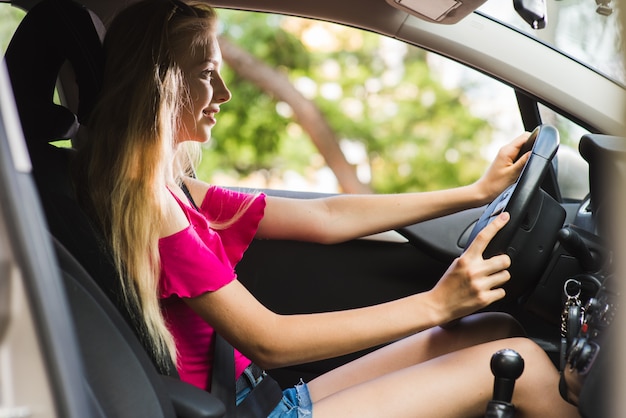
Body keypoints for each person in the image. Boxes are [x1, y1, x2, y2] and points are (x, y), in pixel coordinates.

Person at [73, 0, 580, 416]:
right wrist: (434, 305)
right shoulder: (152, 205)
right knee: (527, 367)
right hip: (256, 410)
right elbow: (269, 340)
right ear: (159, 85)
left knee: (495, 329)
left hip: (258, 396)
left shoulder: (175, 190)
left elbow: (326, 217)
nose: (224, 95)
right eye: (207, 75)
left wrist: (472, 192)